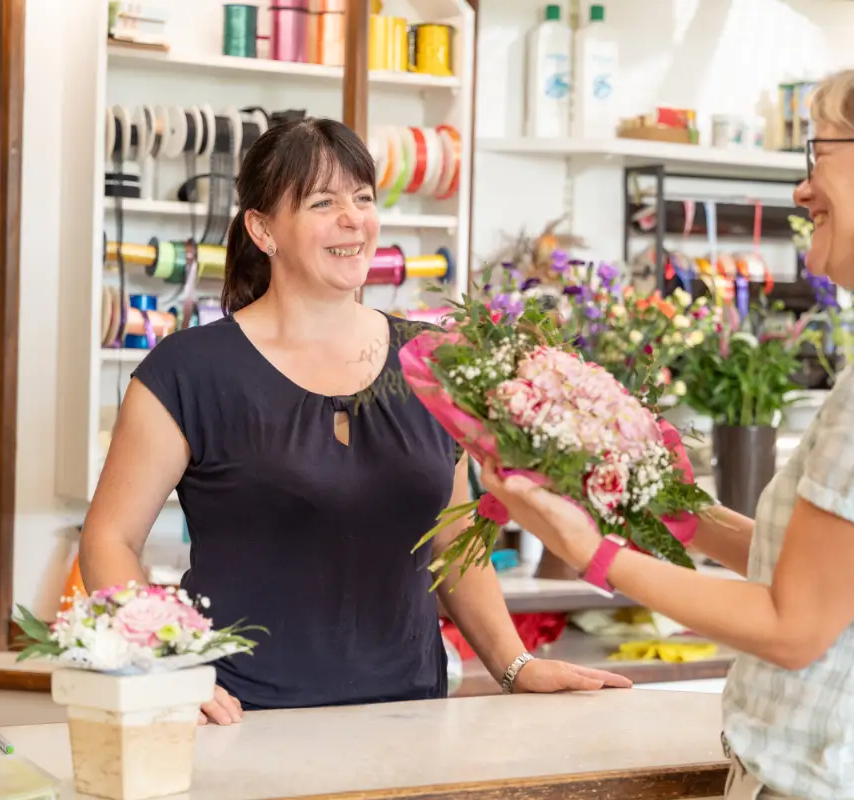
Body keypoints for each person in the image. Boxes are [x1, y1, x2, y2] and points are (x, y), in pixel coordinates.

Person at [480, 63, 854, 800]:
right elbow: (819, 572)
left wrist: (591, 552)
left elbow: (792, 624)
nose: (802, 190)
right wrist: (666, 506)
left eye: (821, 154)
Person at [79, 117, 630, 725]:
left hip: (411, 717)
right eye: (323, 202)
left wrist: (514, 664)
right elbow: (109, 540)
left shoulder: (432, 361)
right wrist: (165, 667)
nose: (353, 219)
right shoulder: (188, 371)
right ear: (263, 229)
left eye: (363, 198)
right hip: (239, 720)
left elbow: (450, 543)